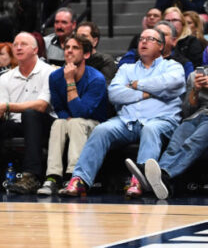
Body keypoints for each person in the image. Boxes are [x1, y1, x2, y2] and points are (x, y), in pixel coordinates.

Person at [60, 28, 184, 198]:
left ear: (161, 46)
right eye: (141, 39)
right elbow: (115, 93)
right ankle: (80, 180)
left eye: (150, 39)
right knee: (101, 130)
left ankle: (139, 181)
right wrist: (150, 92)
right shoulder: (127, 68)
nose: (144, 42)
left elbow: (171, 83)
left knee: (151, 129)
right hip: (127, 121)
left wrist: (135, 85)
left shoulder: (172, 66)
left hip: (161, 120)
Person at [0, 33, 56, 195]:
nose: (18, 47)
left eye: (23, 44)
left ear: (35, 50)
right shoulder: (6, 77)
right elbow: (3, 108)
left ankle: (31, 176)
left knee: (31, 114)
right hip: (16, 123)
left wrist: (6, 106)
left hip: (43, 123)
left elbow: (42, 105)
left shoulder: (49, 72)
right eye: (15, 44)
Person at [37, 35, 109, 196]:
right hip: (71, 121)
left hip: (96, 124)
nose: (69, 51)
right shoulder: (55, 77)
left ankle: (74, 176)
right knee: (58, 123)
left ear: (86, 55)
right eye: (67, 47)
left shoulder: (96, 79)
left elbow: (81, 112)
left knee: (76, 122)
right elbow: (59, 108)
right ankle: (53, 177)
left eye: (75, 48)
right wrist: (66, 118)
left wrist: (70, 81)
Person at [141, 62, 208, 199]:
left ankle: (164, 176)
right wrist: (195, 90)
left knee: (192, 142)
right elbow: (188, 110)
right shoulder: (195, 75)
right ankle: (161, 179)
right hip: (196, 116)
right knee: (174, 145)